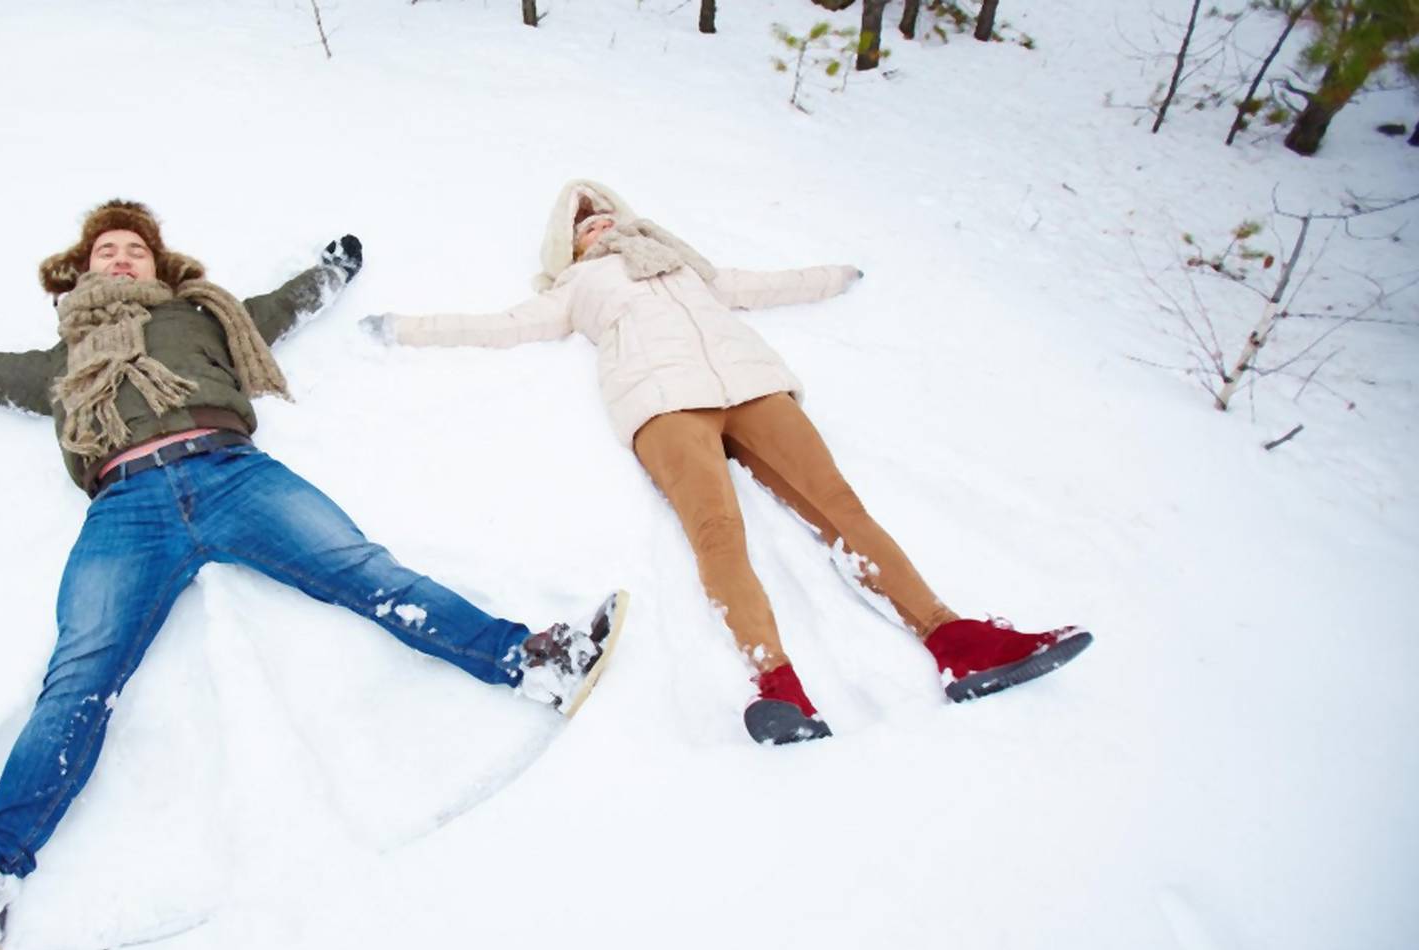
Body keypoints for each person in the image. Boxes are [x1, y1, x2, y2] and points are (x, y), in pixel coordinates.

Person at [0, 199, 628, 950]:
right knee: (80, 675)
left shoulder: (201, 317)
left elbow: (278, 308)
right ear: (82, 273)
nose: (120, 260)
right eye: (105, 253)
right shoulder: (59, 362)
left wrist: (330, 271)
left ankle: (535, 662)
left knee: (364, 572)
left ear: (159, 268)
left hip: (232, 472)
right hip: (126, 507)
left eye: (134, 251)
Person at [360, 180, 1089, 747]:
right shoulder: (576, 288)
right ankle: (778, 684)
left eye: (607, 212)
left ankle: (956, 639)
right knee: (717, 530)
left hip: (753, 389)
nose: (601, 224)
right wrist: (406, 329)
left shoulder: (683, 265)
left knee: (843, 509)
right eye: (586, 223)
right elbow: (500, 327)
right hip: (663, 406)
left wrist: (836, 275)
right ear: (571, 244)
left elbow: (763, 285)